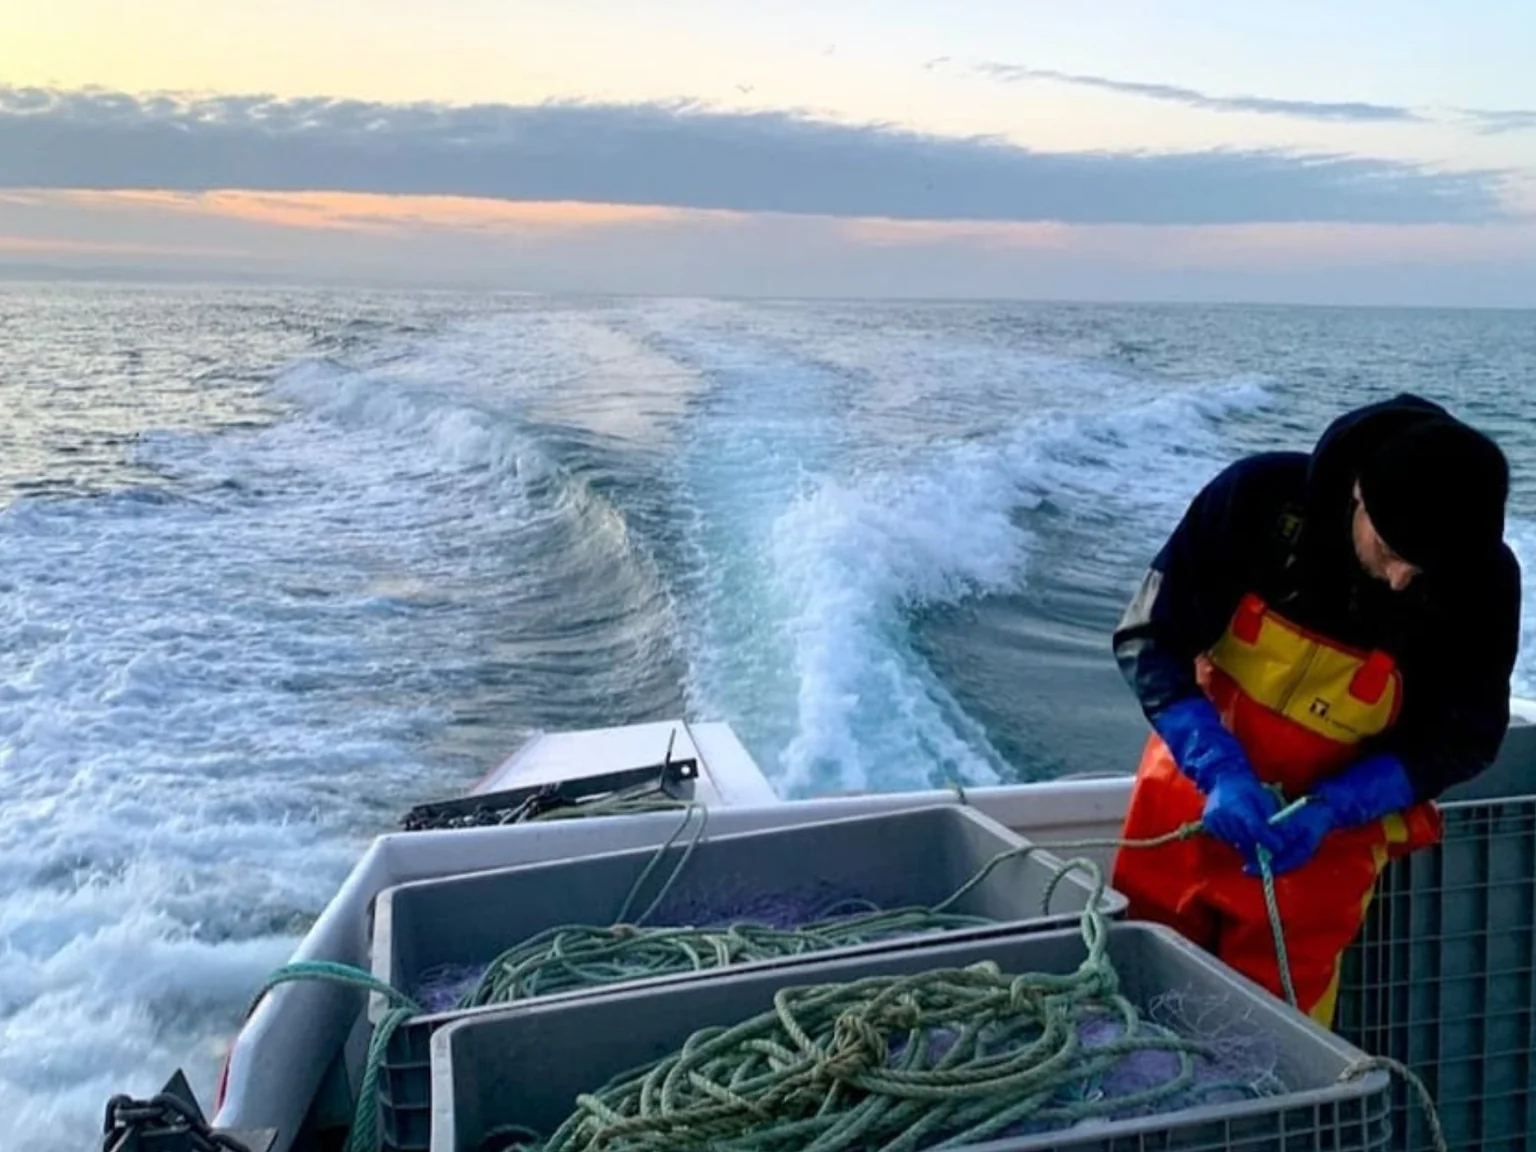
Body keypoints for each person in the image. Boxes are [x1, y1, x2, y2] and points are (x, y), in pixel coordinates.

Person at [1110, 392, 1521, 1027]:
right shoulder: (1257, 499)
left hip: (1324, 844)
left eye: (1423, 570)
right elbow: (1149, 637)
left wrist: (1336, 807)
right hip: (1188, 798)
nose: (1400, 581)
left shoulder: (1482, 580)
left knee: (1274, 1032)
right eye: (1389, 550)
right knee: (1131, 990)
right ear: (1358, 494)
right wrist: (1218, 770)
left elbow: (1467, 733)